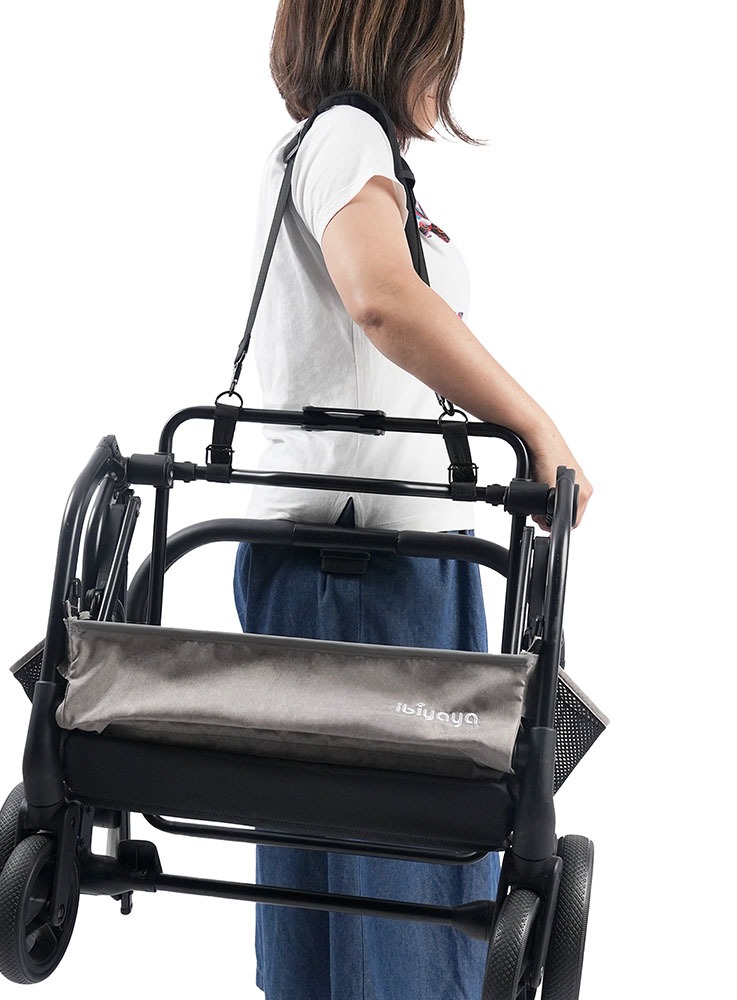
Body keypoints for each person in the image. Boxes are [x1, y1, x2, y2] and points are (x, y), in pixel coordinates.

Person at [232, 3, 592, 998]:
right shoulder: (348, 137)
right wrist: (535, 426)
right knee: (408, 900)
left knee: (327, 896)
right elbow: (384, 300)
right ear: (398, 38)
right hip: (365, 565)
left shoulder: (322, 150)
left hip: (340, 556)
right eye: (441, 48)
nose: (448, 74)